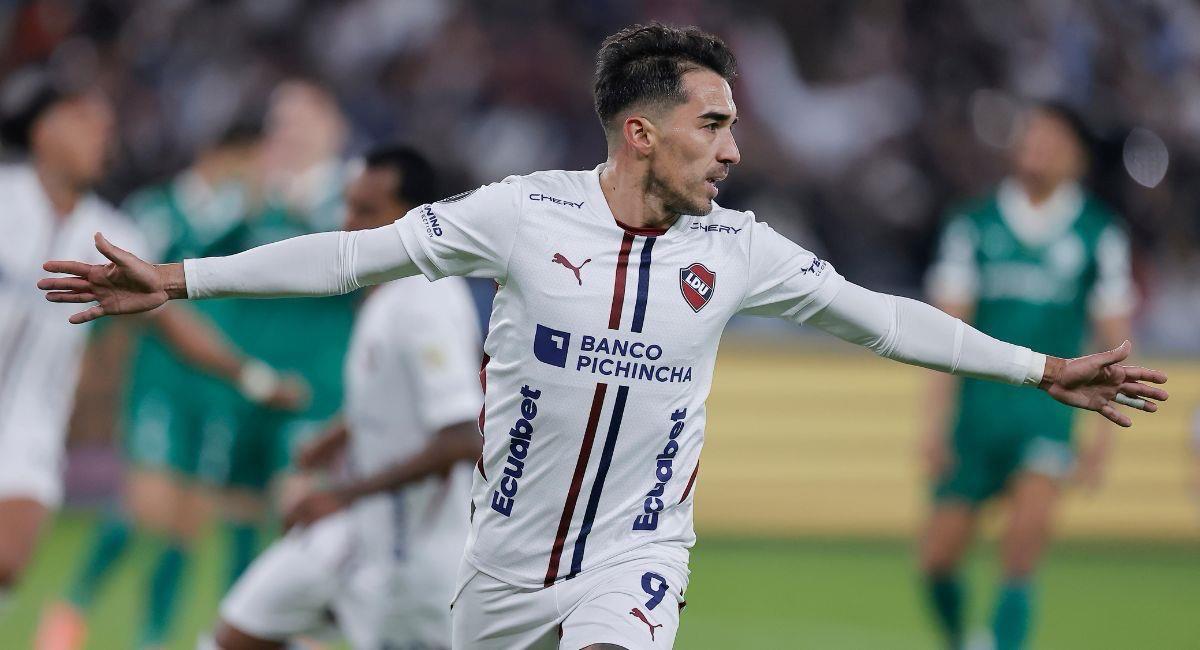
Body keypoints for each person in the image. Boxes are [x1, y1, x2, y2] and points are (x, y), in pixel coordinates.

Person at [37, 25, 1168, 650]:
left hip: (634, 559)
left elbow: (885, 319)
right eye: (712, 124)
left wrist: (1042, 367)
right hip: (498, 570)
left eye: (734, 126)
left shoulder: (740, 249)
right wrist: (178, 277)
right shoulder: (522, 215)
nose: (732, 150)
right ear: (640, 132)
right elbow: (350, 256)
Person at [0, 67, 300, 614]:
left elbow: (175, 325)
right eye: (86, 122)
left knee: (10, 561)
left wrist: (252, 377)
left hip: (30, 429)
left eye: (106, 127)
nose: (102, 137)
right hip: (104, 407)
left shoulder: (110, 233)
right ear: (44, 130)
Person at [211, 145, 483, 650]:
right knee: (237, 633)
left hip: (411, 551)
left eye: (366, 210)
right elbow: (397, 403)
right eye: (349, 206)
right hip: (358, 531)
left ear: (415, 220)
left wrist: (342, 495)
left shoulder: (426, 302)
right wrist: (335, 438)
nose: (349, 224)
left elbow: (462, 437)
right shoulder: (385, 293)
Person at [918, 103, 1136, 650]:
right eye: (1032, 136)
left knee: (1022, 546)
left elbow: (1114, 338)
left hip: (1049, 409)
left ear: (1076, 156)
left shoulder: (1098, 232)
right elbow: (944, 330)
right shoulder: (973, 224)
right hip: (978, 411)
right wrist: (933, 422)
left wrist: (1104, 436)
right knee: (938, 558)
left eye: (1052, 139)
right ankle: (964, 641)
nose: (1038, 147)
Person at [199, 81, 357, 592]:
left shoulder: (352, 196)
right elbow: (201, 251)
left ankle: (292, 625)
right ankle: (239, 621)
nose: (286, 133)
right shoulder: (252, 196)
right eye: (279, 122)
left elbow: (353, 263)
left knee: (299, 522)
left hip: (314, 387)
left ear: (332, 129)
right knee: (239, 519)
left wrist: (294, 202)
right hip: (252, 385)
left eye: (299, 121)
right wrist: (245, 198)